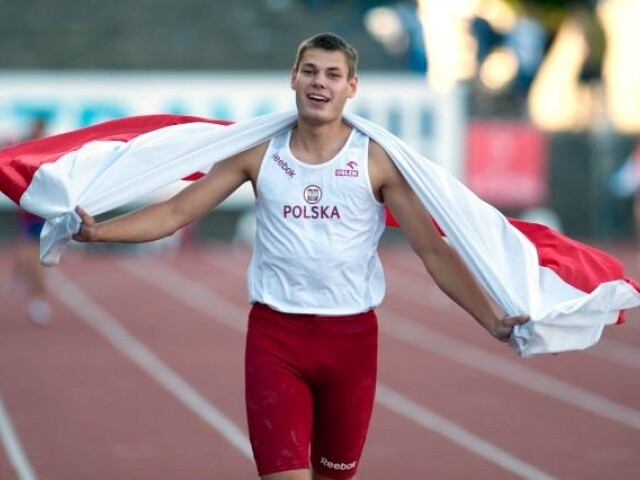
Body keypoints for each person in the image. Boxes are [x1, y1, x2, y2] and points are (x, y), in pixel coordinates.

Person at [73, 33, 529, 480]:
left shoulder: (376, 161)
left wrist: (490, 319)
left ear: (351, 87)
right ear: (293, 78)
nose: (320, 83)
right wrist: (98, 233)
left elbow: (432, 249)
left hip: (351, 341)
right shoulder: (258, 152)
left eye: (333, 74)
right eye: (310, 71)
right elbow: (175, 212)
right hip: (276, 339)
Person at [4, 117, 52, 326]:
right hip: (28, 211)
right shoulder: (25, 149)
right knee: (24, 252)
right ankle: (25, 285)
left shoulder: (50, 152)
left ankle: (37, 301)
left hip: (44, 214)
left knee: (38, 261)